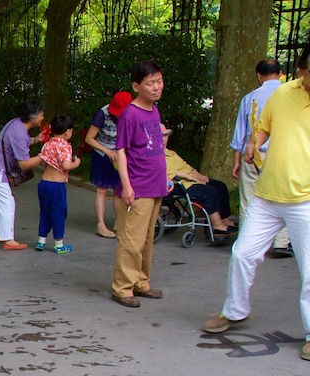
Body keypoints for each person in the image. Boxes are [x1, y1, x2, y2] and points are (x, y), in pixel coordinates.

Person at [203, 40, 310, 362]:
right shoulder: (283, 93)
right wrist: (253, 143)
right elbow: (263, 128)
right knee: (242, 254)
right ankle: (235, 311)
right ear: (302, 70)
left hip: (305, 199)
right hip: (267, 194)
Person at [110, 60, 168, 308]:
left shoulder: (153, 110)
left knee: (146, 239)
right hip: (139, 185)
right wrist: (127, 185)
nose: (157, 87)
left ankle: (141, 282)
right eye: (150, 83)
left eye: (159, 81)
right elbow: (120, 151)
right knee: (131, 239)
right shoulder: (130, 114)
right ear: (136, 85)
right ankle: (122, 287)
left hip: (155, 184)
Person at [230, 59, 289, 258]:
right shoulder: (290, 96)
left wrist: (236, 160)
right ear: (280, 73)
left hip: (253, 154)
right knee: (283, 198)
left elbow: (240, 134)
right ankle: (281, 242)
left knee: (249, 199)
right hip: (283, 155)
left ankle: (247, 243)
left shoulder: (249, 98)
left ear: (258, 75)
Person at [0, 100, 44, 251]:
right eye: (41, 114)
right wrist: (44, 157)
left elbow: (18, 143)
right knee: (7, 202)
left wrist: (35, 140)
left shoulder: (16, 124)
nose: (43, 117)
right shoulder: (20, 133)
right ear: (32, 117)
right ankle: (8, 240)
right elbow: (24, 164)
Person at [163, 127, 237, 235]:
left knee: (220, 186)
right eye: (160, 136)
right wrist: (188, 176)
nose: (164, 139)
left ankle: (225, 219)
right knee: (209, 192)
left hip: (190, 179)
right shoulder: (153, 155)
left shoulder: (171, 153)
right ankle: (217, 225)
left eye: (165, 135)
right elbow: (163, 171)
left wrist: (197, 174)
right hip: (177, 184)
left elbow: (185, 165)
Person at [85, 91, 132, 239]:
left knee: (119, 190)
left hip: (121, 155)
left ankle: (119, 222)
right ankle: (101, 224)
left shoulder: (132, 114)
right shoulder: (102, 114)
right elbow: (89, 138)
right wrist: (107, 151)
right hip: (103, 154)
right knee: (102, 190)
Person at [35, 115, 81, 254]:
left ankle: (41, 240)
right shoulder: (65, 146)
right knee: (59, 213)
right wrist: (76, 163)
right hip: (57, 186)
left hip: (44, 183)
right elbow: (66, 165)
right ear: (68, 131)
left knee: (45, 212)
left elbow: (43, 161)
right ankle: (59, 243)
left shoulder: (48, 143)